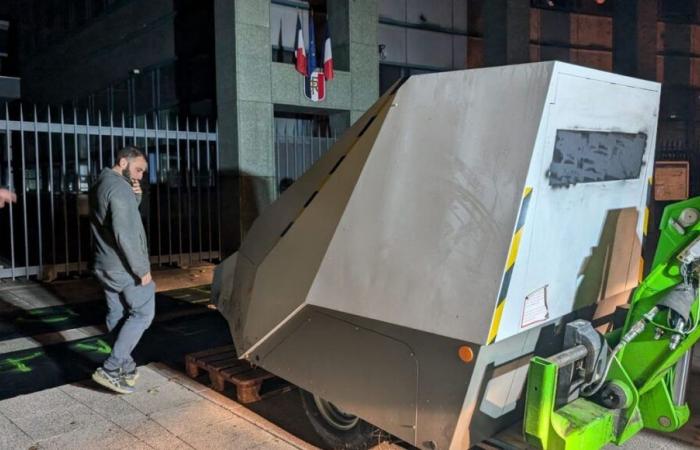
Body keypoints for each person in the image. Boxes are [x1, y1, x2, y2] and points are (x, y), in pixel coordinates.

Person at [89, 146, 155, 394]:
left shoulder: (102, 182)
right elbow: (125, 232)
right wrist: (141, 269)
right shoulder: (119, 188)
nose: (140, 176)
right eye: (138, 170)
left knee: (116, 314)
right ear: (123, 162)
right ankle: (111, 367)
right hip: (123, 266)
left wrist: (135, 197)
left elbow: (115, 217)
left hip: (103, 264)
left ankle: (126, 368)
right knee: (142, 314)